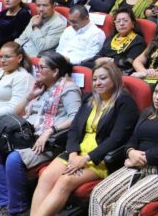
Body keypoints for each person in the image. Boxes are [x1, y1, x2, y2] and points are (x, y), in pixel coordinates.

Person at [30, 61, 140, 216]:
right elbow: (74, 128)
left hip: (99, 157)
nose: (97, 83)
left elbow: (116, 139)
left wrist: (86, 158)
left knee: (65, 181)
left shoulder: (124, 103)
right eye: (94, 79)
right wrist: (74, 153)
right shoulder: (90, 99)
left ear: (114, 79)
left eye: (103, 78)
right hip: (78, 151)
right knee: (47, 175)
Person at [0, 52, 81, 216]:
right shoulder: (40, 87)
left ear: (55, 71)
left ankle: (17, 208)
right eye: (37, 67)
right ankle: (6, 202)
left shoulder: (69, 89)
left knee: (14, 158)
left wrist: (51, 130)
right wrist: (29, 96)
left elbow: (76, 118)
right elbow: (17, 113)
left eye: (41, 67)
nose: (37, 71)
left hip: (47, 141)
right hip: (25, 135)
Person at [89, 74, 158, 216]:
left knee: (123, 206)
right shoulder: (148, 112)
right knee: (97, 195)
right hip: (135, 164)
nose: (157, 97)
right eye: (156, 92)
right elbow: (133, 138)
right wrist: (130, 151)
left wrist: (139, 159)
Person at [85, 8, 146, 74]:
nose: (121, 24)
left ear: (133, 23)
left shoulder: (138, 41)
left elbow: (128, 63)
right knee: (83, 66)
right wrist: (98, 60)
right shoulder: (111, 37)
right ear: (115, 24)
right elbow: (99, 54)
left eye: (125, 20)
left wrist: (108, 60)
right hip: (103, 66)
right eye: (118, 21)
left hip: (119, 71)